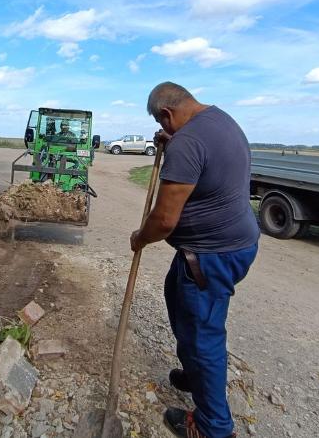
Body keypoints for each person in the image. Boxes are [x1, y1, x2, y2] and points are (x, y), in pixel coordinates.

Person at [130, 82, 260, 438]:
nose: (165, 130)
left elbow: (164, 220)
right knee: (177, 297)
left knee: (203, 334)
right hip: (228, 245)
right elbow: (207, 161)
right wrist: (173, 143)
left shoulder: (188, 142)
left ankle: (213, 427)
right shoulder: (220, 121)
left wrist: (140, 238)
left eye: (163, 124)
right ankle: (195, 373)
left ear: (166, 115)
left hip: (211, 255)